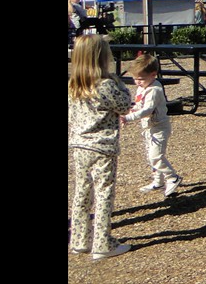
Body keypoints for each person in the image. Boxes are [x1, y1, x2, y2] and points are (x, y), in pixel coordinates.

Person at [68, 33, 134, 260]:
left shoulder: (73, 85)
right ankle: (102, 242)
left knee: (82, 192)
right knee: (104, 193)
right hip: (103, 147)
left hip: (79, 146)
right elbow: (125, 105)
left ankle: (79, 239)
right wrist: (120, 83)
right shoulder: (105, 85)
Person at [124, 53, 182, 197]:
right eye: (135, 78)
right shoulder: (143, 87)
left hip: (159, 127)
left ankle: (172, 177)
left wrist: (129, 117)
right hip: (148, 128)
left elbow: (147, 110)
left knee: (156, 156)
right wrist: (134, 108)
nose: (137, 82)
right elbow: (140, 105)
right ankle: (158, 180)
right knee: (151, 156)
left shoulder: (154, 90)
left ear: (153, 75)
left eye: (141, 79)